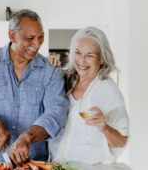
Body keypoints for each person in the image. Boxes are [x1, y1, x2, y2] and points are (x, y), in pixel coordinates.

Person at [0, 9, 68, 166]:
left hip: (35, 163)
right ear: (12, 36)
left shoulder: (51, 70)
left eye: (41, 37)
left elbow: (56, 114)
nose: (37, 44)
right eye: (30, 38)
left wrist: (27, 137)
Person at [49, 26, 130, 164]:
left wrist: (104, 127)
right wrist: (48, 67)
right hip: (57, 164)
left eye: (90, 55)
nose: (82, 60)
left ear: (102, 59)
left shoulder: (109, 91)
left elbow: (121, 141)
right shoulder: (65, 79)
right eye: (78, 53)